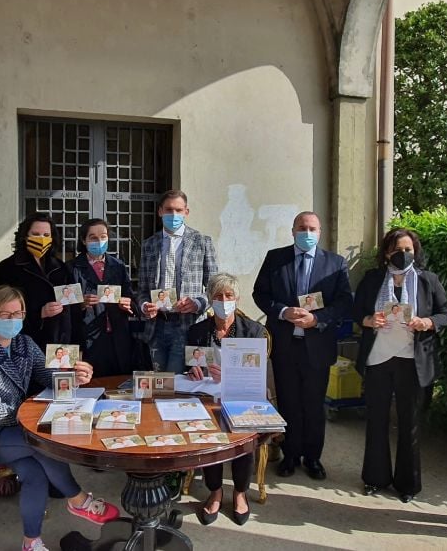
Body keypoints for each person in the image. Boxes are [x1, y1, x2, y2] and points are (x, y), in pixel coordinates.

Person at [0, 286, 119, 551]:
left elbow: (48, 377)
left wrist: (73, 379)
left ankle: (31, 542)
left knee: (35, 473)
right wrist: (38, 419)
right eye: (5, 314)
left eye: (18, 314)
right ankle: (78, 499)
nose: (13, 321)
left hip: (9, 433)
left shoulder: (23, 343)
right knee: (41, 442)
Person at [253, 211, 352, 481]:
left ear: (319, 232)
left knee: (313, 404)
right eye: (302, 228)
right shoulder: (276, 258)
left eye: (312, 228)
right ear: (293, 230)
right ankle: (290, 455)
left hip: (317, 348)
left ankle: (313, 458)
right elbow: (259, 293)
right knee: (288, 402)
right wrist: (283, 311)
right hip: (286, 345)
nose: (307, 233)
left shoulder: (335, 263)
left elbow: (344, 302)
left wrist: (317, 318)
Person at [354, 228, 447, 503]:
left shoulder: (427, 281)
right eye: (397, 250)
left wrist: (427, 322)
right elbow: (356, 310)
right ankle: (375, 478)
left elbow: (445, 314)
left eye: (408, 250)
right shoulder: (372, 280)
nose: (403, 254)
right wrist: (368, 320)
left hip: (412, 362)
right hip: (378, 360)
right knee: (376, 422)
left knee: (410, 425)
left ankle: (408, 485)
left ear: (415, 252)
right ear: (386, 253)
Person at [187, 272, 265, 526]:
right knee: (209, 433)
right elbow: (186, 364)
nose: (223, 300)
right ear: (210, 299)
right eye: (218, 296)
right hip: (206, 396)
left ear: (237, 299)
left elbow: (259, 372)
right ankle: (215, 491)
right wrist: (192, 370)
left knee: (243, 433)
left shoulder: (254, 331)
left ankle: (240, 493)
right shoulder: (198, 331)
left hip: (242, 395)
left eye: (228, 296)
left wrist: (230, 374)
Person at [138, 190, 218, 373]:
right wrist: (144, 306)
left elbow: (215, 287)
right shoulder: (149, 245)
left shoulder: (202, 242)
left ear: (186, 212)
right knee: (160, 384)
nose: (173, 215)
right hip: (157, 326)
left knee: (183, 385)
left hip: (189, 325)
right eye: (168, 210)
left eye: (178, 210)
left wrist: (198, 303)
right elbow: (142, 288)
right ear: (160, 211)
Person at [0, 213, 75, 356]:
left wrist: (76, 345)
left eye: (46, 235)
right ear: (25, 236)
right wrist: (39, 314)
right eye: (36, 234)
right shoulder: (7, 267)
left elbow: (73, 310)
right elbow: (2, 310)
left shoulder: (62, 268)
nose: (42, 239)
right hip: (25, 342)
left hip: (60, 346)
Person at [69, 219, 136, 376]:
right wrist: (81, 304)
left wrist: (128, 305)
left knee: (118, 385)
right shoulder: (72, 268)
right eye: (93, 237)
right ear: (83, 240)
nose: (99, 241)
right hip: (88, 339)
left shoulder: (118, 266)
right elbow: (65, 307)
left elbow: (131, 299)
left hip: (117, 338)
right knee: (91, 386)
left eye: (103, 236)